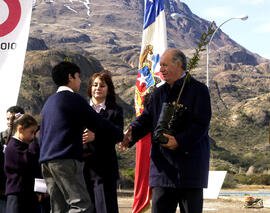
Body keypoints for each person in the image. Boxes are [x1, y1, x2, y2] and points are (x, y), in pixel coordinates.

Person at [120, 48, 212, 213]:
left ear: (178, 65)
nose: (160, 69)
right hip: (162, 171)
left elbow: (201, 124)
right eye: (160, 65)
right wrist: (131, 133)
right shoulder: (159, 92)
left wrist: (179, 141)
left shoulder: (199, 90)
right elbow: (146, 119)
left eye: (164, 65)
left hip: (190, 172)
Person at [38, 62, 123, 213]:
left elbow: (42, 136)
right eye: (78, 77)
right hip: (65, 159)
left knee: (58, 207)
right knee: (81, 205)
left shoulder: (49, 102)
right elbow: (97, 121)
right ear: (70, 77)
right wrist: (119, 134)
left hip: (46, 161)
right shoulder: (73, 99)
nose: (80, 81)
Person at [83, 71, 124, 213]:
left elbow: (119, 135)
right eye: (95, 85)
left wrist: (96, 136)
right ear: (90, 88)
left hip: (105, 170)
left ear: (108, 89)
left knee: (105, 208)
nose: (98, 88)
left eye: (102, 85)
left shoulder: (115, 111)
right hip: (83, 169)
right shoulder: (80, 108)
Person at [4, 113, 40, 213]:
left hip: (28, 194)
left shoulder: (22, 146)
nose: (33, 136)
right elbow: (29, 161)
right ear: (20, 129)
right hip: (17, 195)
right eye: (31, 132)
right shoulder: (13, 147)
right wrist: (35, 143)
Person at [0, 106, 25, 213]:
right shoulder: (1, 137)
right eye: (7, 119)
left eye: (12, 119)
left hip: (21, 189)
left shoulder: (29, 139)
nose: (9, 122)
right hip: (3, 189)